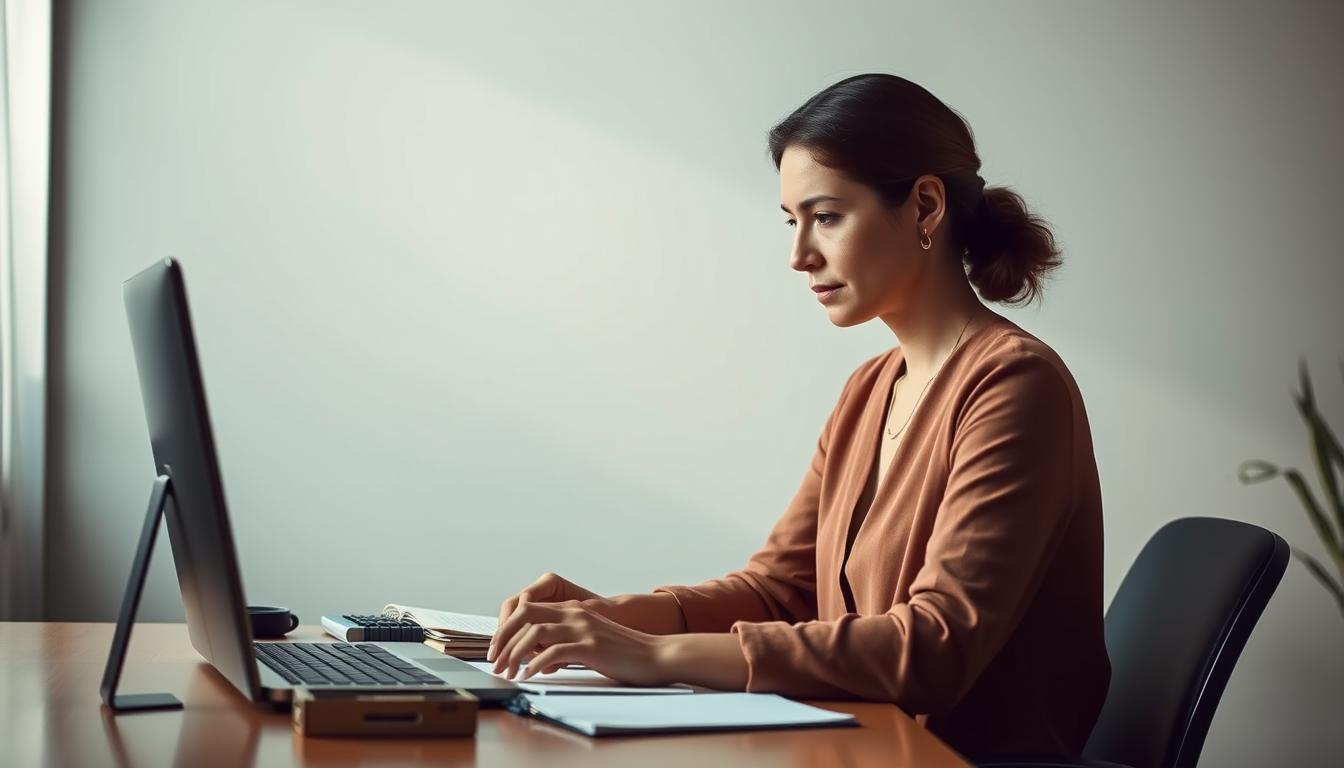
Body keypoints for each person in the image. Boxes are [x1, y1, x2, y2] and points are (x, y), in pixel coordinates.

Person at [485, 73, 1110, 759]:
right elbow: (779, 589)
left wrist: (658, 654)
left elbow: (934, 649)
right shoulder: (870, 388)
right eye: (793, 221)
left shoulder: (1015, 383)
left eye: (828, 216)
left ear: (925, 206)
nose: (799, 255)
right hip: (862, 747)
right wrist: (602, 617)